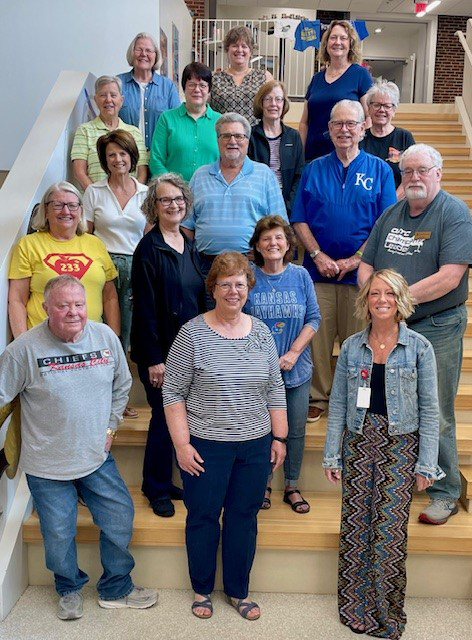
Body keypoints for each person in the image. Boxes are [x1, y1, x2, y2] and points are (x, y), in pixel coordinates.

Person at [0, 275, 157, 619]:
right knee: (58, 533)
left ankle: (116, 588)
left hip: (95, 455)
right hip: (47, 463)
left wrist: (111, 427)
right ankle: (68, 588)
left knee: (119, 517)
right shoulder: (23, 349)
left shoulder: (104, 337)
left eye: (79, 304)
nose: (73, 312)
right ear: (46, 309)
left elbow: (122, 383)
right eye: (63, 305)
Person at [162, 252, 287, 620]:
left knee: (243, 517)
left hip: (254, 445)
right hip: (204, 446)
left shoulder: (261, 332)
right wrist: (182, 445)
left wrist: (279, 438)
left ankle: (238, 591)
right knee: (202, 516)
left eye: (240, 283)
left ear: (248, 288)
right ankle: (202, 590)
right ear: (213, 288)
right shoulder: (192, 333)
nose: (233, 291)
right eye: (225, 284)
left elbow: (274, 389)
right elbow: (172, 392)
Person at [324, 269, 443, 638]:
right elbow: (340, 402)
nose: (381, 300)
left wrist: (426, 464)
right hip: (359, 442)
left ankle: (386, 612)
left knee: (389, 533)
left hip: (401, 445)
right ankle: (355, 606)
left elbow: (430, 410)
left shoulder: (419, 347)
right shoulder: (353, 347)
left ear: (400, 300)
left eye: (389, 294)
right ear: (365, 300)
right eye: (375, 293)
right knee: (356, 529)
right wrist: (332, 454)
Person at [358, 143, 472, 525]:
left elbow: (450, 276)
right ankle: (404, 478)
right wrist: (374, 299)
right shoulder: (392, 213)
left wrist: (393, 300)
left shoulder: (454, 213)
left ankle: (444, 492)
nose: (415, 178)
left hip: (437, 326)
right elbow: (367, 263)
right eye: (408, 171)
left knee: (435, 409)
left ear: (438, 173)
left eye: (423, 170)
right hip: (392, 326)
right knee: (393, 405)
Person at [292, 100, 396, 423]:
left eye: (351, 124)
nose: (344, 130)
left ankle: (357, 398)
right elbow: (299, 218)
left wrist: (356, 259)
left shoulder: (380, 170)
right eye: (338, 124)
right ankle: (319, 396)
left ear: (363, 129)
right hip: (318, 272)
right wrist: (316, 255)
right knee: (318, 339)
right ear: (330, 129)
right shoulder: (314, 169)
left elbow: (385, 223)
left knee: (362, 341)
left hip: (362, 276)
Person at [5, 181, 120, 470]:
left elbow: (109, 294)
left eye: (72, 205)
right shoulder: (30, 244)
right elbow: (17, 299)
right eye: (57, 204)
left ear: (81, 211)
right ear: (46, 210)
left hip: (89, 349)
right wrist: (23, 345)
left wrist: (113, 338)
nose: (65, 211)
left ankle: (87, 470)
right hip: (45, 346)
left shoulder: (94, 244)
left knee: (84, 414)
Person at [130, 174, 206, 517]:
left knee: (180, 419)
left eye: (178, 199)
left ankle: (166, 480)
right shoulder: (148, 249)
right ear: (153, 207)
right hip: (160, 355)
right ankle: (155, 487)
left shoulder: (188, 245)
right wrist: (155, 359)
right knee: (163, 419)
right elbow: (144, 309)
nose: (173, 205)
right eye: (165, 200)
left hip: (188, 350)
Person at [247, 216, 320, 513]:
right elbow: (241, 321)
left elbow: (313, 318)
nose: (273, 243)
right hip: (259, 372)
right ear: (257, 246)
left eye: (278, 238)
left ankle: (291, 484)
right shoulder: (249, 276)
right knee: (262, 430)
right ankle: (261, 483)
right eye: (266, 239)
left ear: (288, 244)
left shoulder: (301, 275)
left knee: (296, 430)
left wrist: (292, 353)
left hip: (296, 369)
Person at [182, 112, 287, 276]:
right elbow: (187, 226)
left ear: (247, 140)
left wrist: (263, 254)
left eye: (239, 136)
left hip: (252, 266)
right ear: (217, 140)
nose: (232, 141)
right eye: (226, 136)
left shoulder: (265, 175)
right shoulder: (200, 176)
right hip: (205, 267)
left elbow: (280, 225)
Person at [83, 130, 147, 354]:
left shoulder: (145, 193)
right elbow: (86, 235)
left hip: (135, 264)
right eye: (111, 155)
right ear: (104, 160)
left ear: (131, 157)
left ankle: (120, 372)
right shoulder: (94, 191)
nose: (118, 159)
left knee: (128, 324)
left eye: (122, 153)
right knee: (102, 320)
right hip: (103, 265)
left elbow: (148, 237)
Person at [299, 20, 372, 162]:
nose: (337, 42)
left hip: (346, 158)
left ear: (350, 44)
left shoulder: (360, 75)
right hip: (313, 157)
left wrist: (360, 152)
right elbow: (304, 122)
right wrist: (300, 154)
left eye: (343, 38)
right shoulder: (317, 79)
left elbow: (368, 118)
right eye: (333, 38)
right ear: (326, 44)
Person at [71, 76, 148, 190]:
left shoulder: (134, 133)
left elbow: (142, 172)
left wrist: (132, 196)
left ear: (121, 100)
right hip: (96, 202)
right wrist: (98, 196)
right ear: (96, 99)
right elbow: (79, 172)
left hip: (129, 201)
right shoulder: (84, 131)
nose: (108, 100)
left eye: (113, 95)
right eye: (103, 95)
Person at [149, 62, 219, 181]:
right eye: (192, 85)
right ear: (183, 88)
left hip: (210, 193)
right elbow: (156, 160)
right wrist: (173, 188)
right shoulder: (167, 119)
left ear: (209, 90)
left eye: (202, 85)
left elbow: (227, 161)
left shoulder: (220, 122)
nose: (197, 90)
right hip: (174, 195)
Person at [248, 81, 304, 217]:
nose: (273, 104)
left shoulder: (294, 136)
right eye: (268, 99)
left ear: (284, 104)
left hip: (287, 206)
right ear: (261, 103)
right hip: (257, 206)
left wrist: (287, 207)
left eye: (278, 99)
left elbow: (299, 175)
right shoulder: (250, 136)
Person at [118, 31, 180, 150]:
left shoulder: (168, 86)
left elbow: (176, 124)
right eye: (139, 50)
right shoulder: (118, 83)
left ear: (156, 55)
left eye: (148, 51)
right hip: (125, 156)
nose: (143, 54)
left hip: (158, 156)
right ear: (132, 53)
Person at [360, 80, 415, 199]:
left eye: (387, 106)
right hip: (365, 205)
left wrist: (390, 202)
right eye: (376, 105)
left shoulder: (405, 137)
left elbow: (411, 175)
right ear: (368, 109)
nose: (381, 110)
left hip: (397, 204)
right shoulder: (360, 138)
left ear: (394, 110)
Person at [210, 26, 272, 126]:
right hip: (224, 138)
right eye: (234, 45)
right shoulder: (215, 79)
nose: (239, 50)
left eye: (244, 46)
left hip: (256, 139)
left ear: (251, 51)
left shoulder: (264, 77)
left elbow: (274, 108)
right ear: (227, 49)